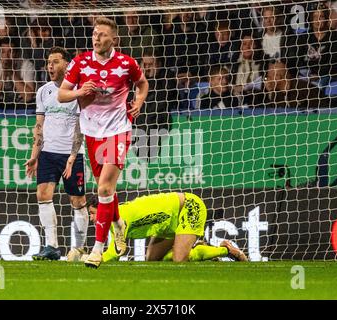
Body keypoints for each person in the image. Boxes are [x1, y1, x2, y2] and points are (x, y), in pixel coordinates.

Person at [58, 17, 149, 268]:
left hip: (118, 130)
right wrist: (80, 91)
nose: (96, 38)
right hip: (91, 134)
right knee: (104, 188)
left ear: (114, 39)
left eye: (102, 34)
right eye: (95, 33)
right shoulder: (81, 62)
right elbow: (62, 94)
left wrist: (139, 101)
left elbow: (142, 84)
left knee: (105, 189)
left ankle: (98, 250)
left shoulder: (126, 63)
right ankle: (119, 224)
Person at [25, 47, 88, 261]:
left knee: (78, 201)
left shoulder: (77, 91)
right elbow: (39, 126)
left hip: (72, 155)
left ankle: (78, 249)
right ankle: (51, 246)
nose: (50, 66)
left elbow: (80, 126)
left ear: (67, 65)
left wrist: (72, 155)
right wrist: (35, 155)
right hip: (48, 154)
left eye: (55, 61)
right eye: (48, 62)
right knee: (43, 195)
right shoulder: (43, 91)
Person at [72, 192, 248, 263]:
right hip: (166, 224)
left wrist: (89, 258)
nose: (92, 218)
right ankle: (197, 248)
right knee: (153, 260)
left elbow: (117, 251)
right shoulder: (113, 221)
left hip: (188, 207)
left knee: (180, 259)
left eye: (94, 213)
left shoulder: (120, 219)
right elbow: (115, 252)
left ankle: (225, 251)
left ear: (105, 209)